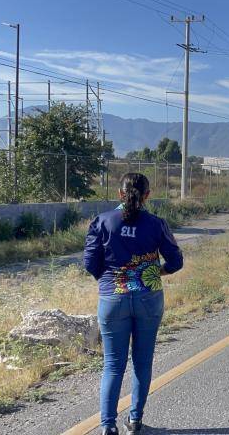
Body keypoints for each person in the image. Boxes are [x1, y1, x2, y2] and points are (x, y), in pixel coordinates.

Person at [84, 173, 183, 435]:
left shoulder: (102, 221)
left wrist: (108, 279)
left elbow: (89, 263)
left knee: (113, 364)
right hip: (148, 299)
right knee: (142, 361)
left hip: (112, 299)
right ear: (147, 195)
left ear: (119, 193)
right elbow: (176, 261)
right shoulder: (156, 224)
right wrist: (156, 272)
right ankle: (135, 420)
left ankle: (107, 426)